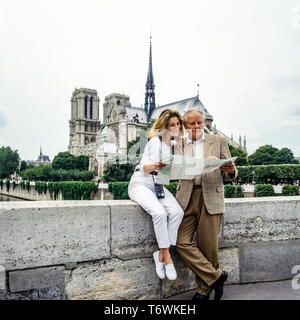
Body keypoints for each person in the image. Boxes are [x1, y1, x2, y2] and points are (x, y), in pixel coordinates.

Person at [175, 109, 238, 301]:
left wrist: (231, 170)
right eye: (192, 124)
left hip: (210, 194)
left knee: (208, 245)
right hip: (186, 197)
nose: (196, 127)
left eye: (199, 123)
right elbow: (174, 168)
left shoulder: (217, 141)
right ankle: (216, 277)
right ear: (185, 125)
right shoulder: (178, 142)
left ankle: (203, 290)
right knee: (180, 241)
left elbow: (231, 173)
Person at [128, 109, 185, 280]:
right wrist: (154, 166)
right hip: (141, 184)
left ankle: (160, 253)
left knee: (177, 212)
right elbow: (142, 166)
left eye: (178, 124)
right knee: (159, 212)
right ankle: (167, 258)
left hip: (158, 186)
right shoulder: (155, 141)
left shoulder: (174, 146)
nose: (176, 128)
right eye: (171, 125)